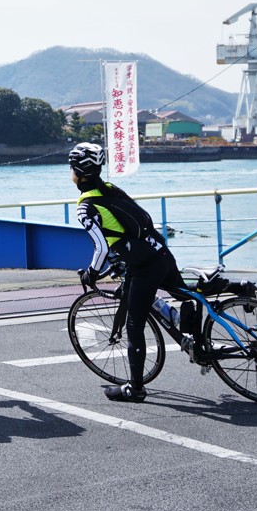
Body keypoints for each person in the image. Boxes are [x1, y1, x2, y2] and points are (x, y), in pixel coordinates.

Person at [70, 142, 185, 403]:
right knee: (187, 294)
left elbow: (100, 246)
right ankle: (198, 343)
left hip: (144, 265)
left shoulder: (85, 206)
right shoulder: (111, 189)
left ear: (77, 171)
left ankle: (135, 388)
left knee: (134, 325)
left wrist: (92, 272)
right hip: (161, 252)